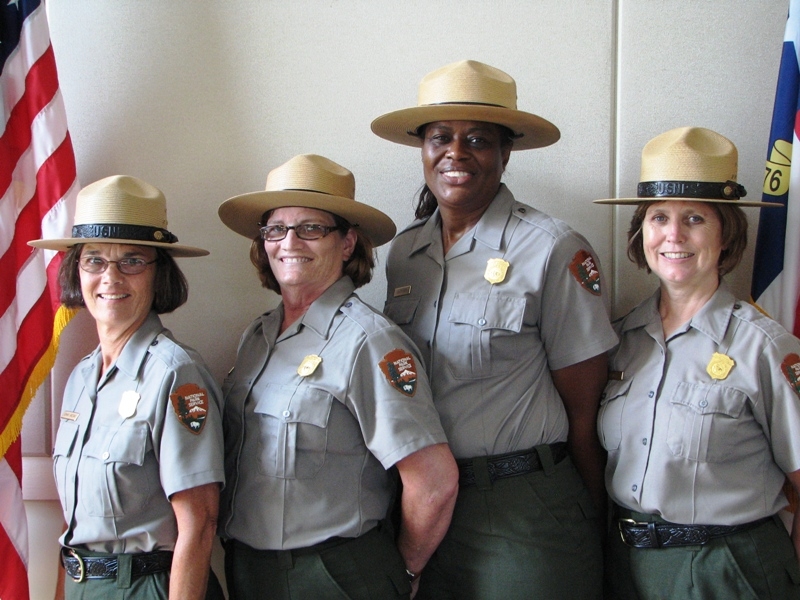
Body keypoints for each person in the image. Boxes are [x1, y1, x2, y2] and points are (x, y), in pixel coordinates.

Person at [372, 60, 618, 599]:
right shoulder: (404, 253)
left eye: (478, 139)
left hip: (524, 511)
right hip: (425, 506)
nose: (455, 153)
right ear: (422, 150)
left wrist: (597, 531)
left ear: (506, 154)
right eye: (440, 137)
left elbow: (585, 412)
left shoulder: (553, 247)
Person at [216, 153, 459, 600]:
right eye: (276, 229)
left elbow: (434, 482)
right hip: (250, 571)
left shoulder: (369, 342)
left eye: (311, 228)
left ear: (347, 244)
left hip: (335, 574)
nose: (289, 242)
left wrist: (401, 573)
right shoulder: (257, 336)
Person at [594, 126, 800, 598]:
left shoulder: (765, 348)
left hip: (728, 569)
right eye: (658, 217)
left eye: (695, 219)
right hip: (628, 566)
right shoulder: (620, 340)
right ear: (641, 232)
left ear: (726, 233)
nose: (673, 235)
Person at [28, 175, 225, 599]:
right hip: (84, 584)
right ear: (75, 271)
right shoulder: (82, 377)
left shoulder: (176, 374)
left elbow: (201, 522)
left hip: (148, 587)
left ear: (160, 274)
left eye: (132, 260)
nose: (110, 277)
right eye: (94, 260)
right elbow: (74, 523)